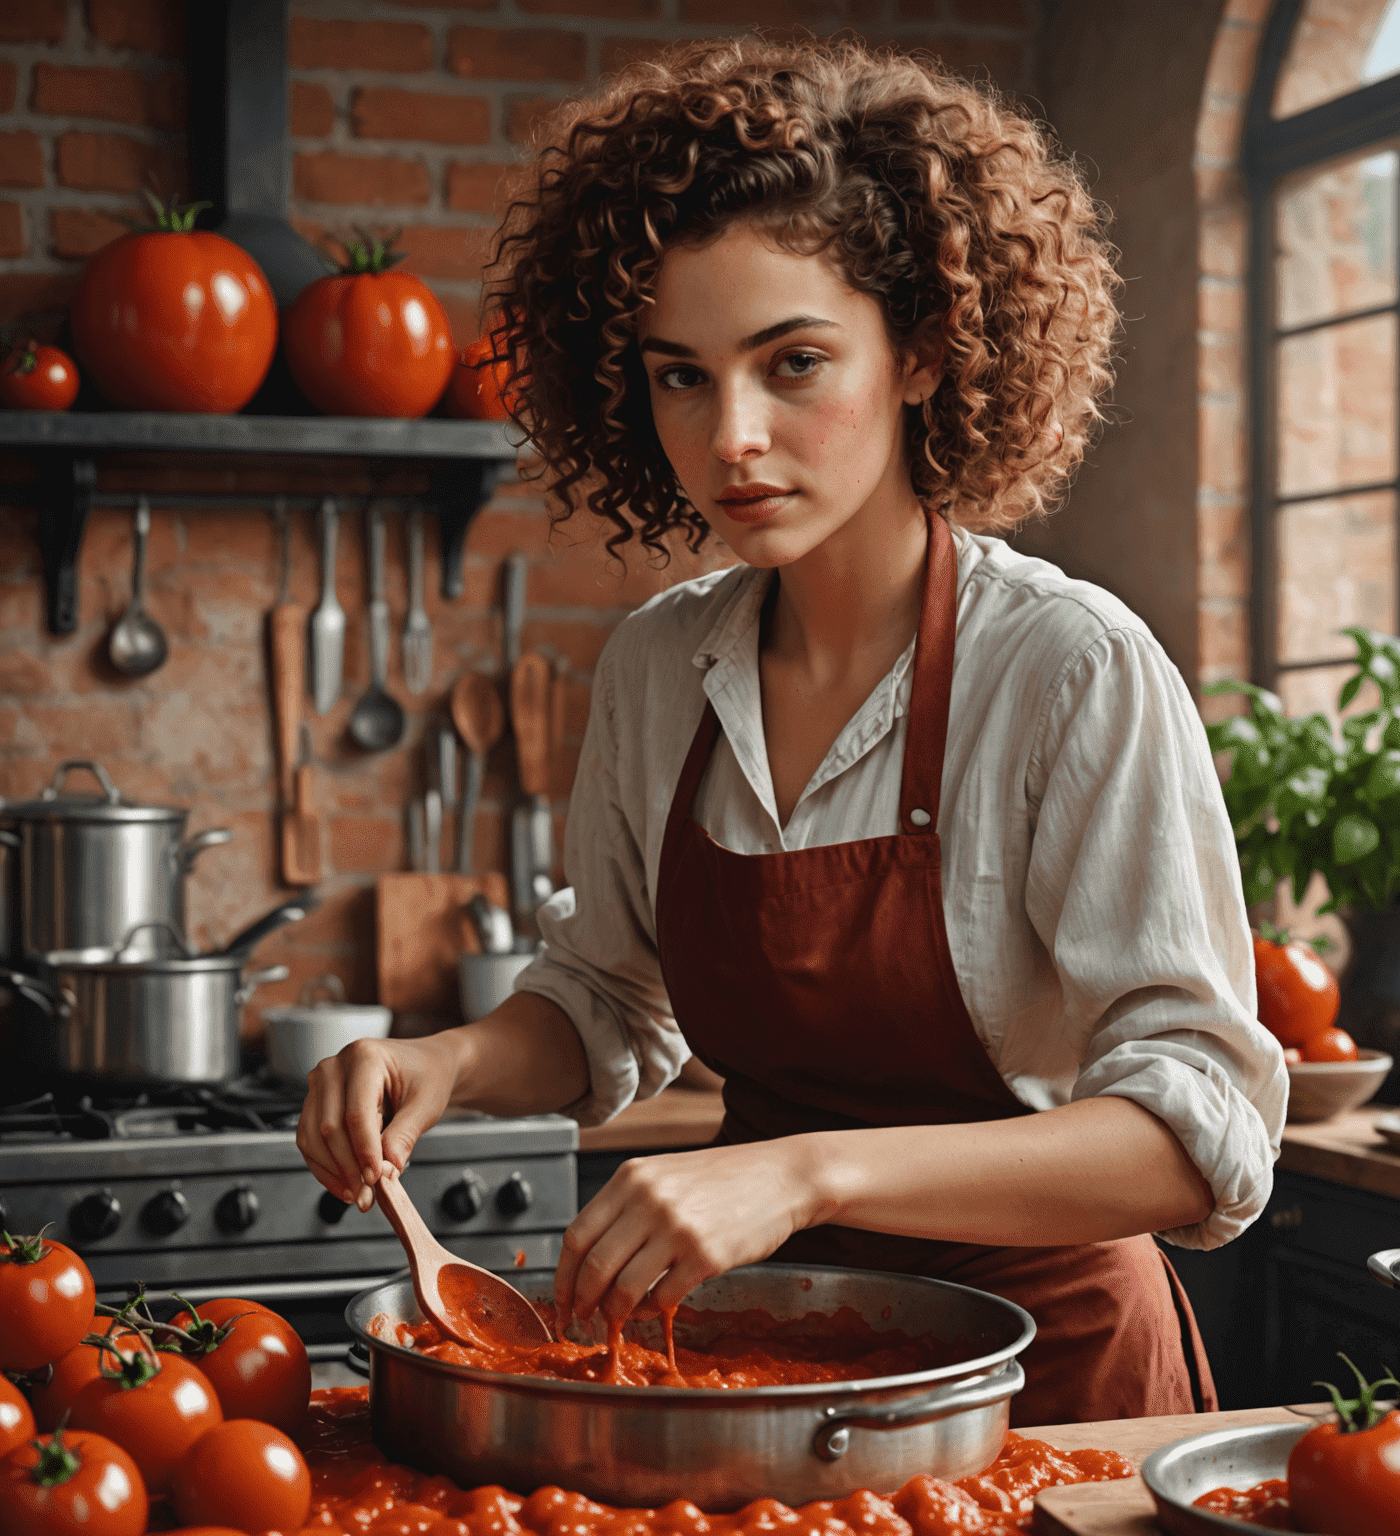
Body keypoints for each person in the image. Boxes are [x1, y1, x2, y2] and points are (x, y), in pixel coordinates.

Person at [297, 35, 1286, 1425]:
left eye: (795, 361)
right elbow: (604, 1002)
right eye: (681, 376)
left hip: (1049, 1380)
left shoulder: (1070, 670)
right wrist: (445, 1062)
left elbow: (1198, 1146)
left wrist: (803, 1170)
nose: (732, 438)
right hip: (761, 1367)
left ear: (927, 355)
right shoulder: (657, 668)